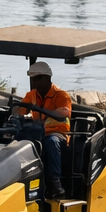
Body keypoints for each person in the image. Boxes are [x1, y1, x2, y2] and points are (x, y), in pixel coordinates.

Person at [15, 61, 72, 197]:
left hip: (58, 134)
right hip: (37, 132)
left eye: (36, 79)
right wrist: (16, 115)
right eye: (32, 79)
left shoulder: (61, 96)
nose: (33, 83)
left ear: (46, 78)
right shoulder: (32, 95)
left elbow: (64, 112)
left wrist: (41, 110)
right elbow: (20, 110)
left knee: (51, 142)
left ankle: (55, 183)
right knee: (18, 142)